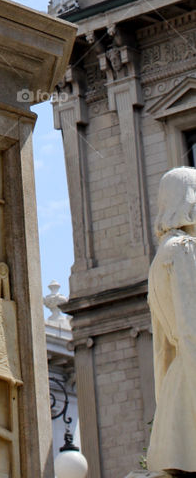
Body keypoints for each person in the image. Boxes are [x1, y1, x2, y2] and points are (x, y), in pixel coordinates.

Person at [146, 166, 196, 474]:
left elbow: (161, 349)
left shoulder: (161, 256)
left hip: (178, 388)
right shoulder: (184, 251)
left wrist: (163, 399)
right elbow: (192, 330)